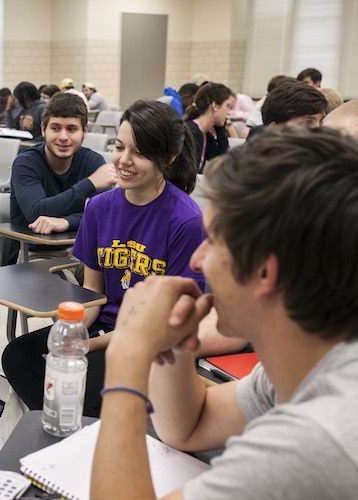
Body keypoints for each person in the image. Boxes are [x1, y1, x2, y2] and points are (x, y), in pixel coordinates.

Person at [91, 126, 358, 499]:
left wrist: (127, 360)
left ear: (265, 271)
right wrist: (178, 342)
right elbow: (188, 426)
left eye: (213, 241)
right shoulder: (314, 361)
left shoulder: (317, 442)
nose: (198, 262)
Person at [3, 100, 204, 418]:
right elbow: (94, 295)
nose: (124, 161)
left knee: (79, 385)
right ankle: (66, 437)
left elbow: (170, 325)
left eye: (138, 153)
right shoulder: (98, 208)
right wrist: (72, 335)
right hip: (104, 330)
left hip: (152, 343)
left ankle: (85, 439)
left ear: (168, 158)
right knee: (19, 357)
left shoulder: (186, 221)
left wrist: (87, 347)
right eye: (119, 147)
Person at [10, 92, 116, 236]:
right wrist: (89, 183)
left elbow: (106, 214)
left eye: (71, 129)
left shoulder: (93, 161)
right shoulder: (26, 163)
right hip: (30, 251)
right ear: (43, 129)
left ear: (84, 131)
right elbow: (36, 213)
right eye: (55, 128)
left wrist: (66, 222)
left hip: (78, 248)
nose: (63, 137)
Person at [245, 81, 327, 141]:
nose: (319, 130)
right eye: (306, 123)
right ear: (274, 129)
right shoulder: (253, 162)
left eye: (322, 121)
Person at [183, 82, 234, 172]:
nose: (229, 112)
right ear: (215, 106)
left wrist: (221, 129)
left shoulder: (204, 134)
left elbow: (221, 161)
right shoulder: (193, 132)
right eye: (227, 106)